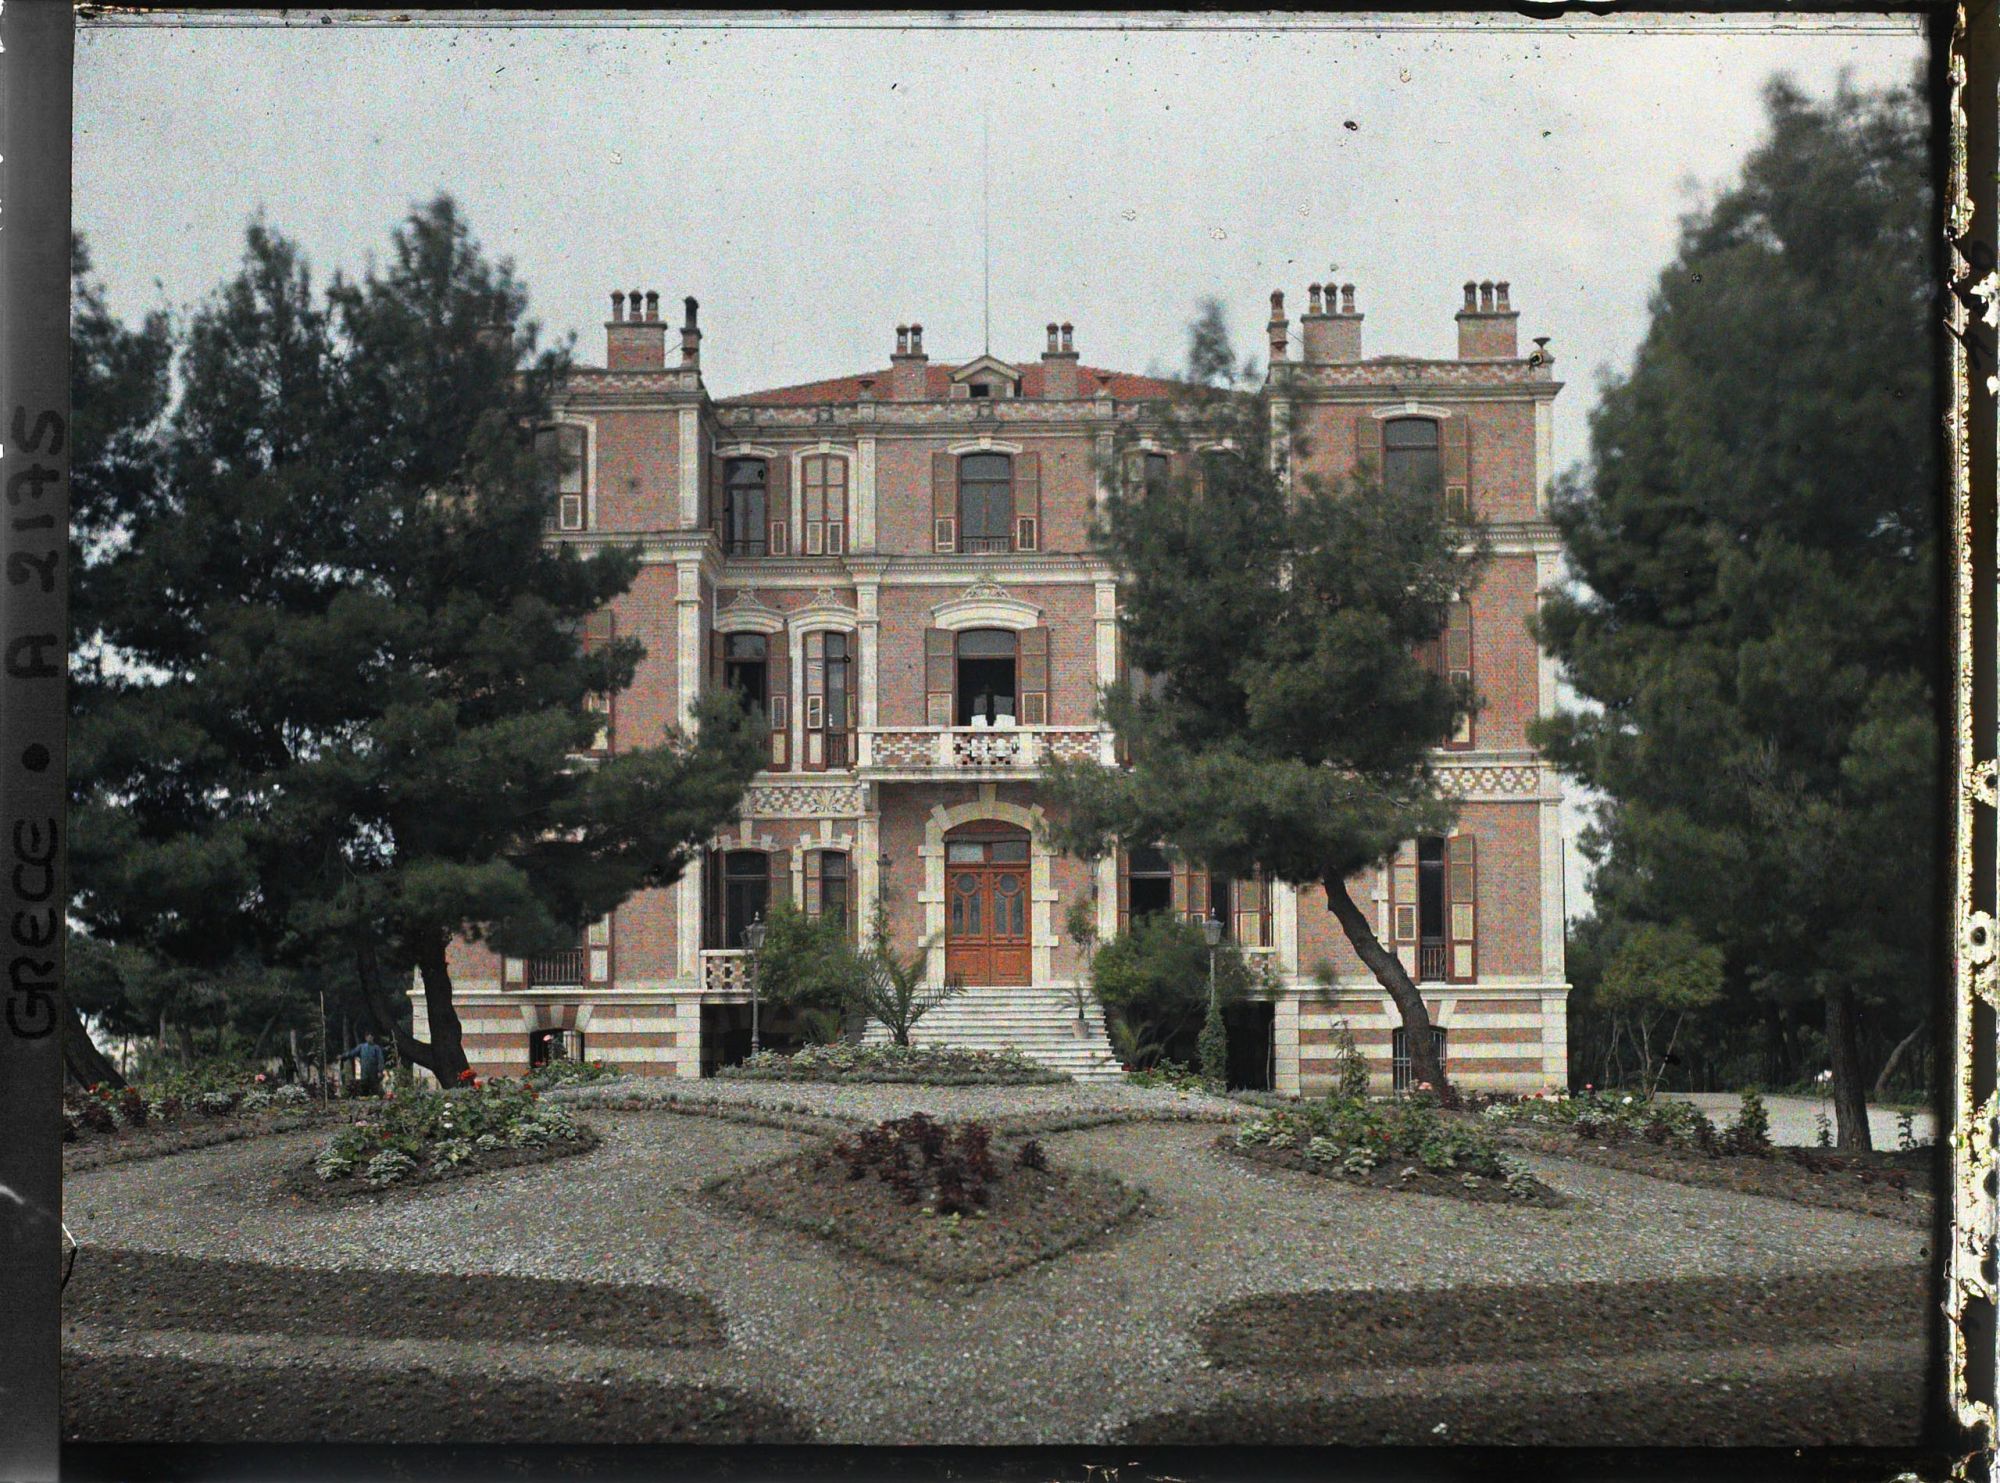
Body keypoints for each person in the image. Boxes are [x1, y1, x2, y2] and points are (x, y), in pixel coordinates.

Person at [342, 1032, 386, 1097]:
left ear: (373, 1038)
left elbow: (380, 1060)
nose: (370, 1039)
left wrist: (380, 1071)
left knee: (375, 1089)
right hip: (364, 1072)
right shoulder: (361, 1047)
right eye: (368, 1037)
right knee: (364, 1089)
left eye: (371, 1037)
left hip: (374, 1072)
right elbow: (352, 1053)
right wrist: (343, 1056)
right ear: (366, 1038)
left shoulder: (376, 1048)